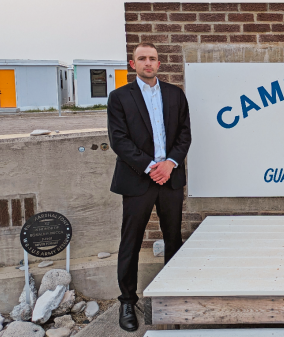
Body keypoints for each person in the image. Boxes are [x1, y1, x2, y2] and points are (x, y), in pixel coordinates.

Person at [107, 42, 191, 331]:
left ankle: (174, 296)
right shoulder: (119, 97)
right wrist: (150, 167)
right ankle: (128, 301)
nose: (148, 63)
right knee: (130, 242)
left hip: (170, 178)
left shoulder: (175, 94)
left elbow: (184, 135)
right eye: (141, 58)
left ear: (159, 63)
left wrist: (169, 164)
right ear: (133, 64)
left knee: (173, 239)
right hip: (137, 179)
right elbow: (119, 140)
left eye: (152, 58)